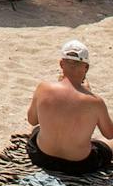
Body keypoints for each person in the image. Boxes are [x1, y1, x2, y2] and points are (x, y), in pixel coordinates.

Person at [27, 42, 113, 178]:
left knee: (38, 128)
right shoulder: (95, 101)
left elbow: (32, 120)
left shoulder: (43, 88)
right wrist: (87, 92)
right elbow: (109, 134)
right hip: (80, 165)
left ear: (61, 64)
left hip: (41, 157)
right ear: (86, 68)